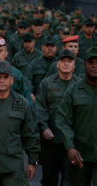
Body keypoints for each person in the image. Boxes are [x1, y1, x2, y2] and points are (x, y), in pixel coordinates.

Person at [35, 49, 79, 186]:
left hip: (73, 141)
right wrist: (44, 128)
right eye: (63, 61)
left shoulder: (81, 85)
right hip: (51, 140)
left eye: (69, 61)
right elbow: (40, 107)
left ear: (74, 65)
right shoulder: (47, 84)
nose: (66, 64)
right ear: (57, 64)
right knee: (49, 178)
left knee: (70, 179)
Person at [55, 46, 97, 186]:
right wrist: (70, 147)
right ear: (84, 64)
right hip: (80, 155)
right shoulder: (74, 89)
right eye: (91, 62)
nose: (95, 66)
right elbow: (62, 120)